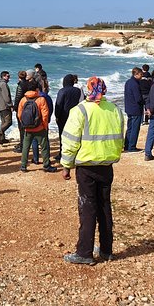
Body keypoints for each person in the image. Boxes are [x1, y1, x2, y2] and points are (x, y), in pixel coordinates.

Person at [60, 76, 123, 265]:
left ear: (87, 90)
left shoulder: (80, 111)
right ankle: (106, 250)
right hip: (106, 165)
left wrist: (66, 165)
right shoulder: (115, 110)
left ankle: (84, 252)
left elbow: (70, 140)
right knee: (104, 207)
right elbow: (120, 137)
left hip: (86, 166)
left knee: (87, 207)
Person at [17, 80, 57, 173]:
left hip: (27, 128)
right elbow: (45, 115)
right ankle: (46, 165)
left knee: (26, 147)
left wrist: (24, 124)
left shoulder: (23, 99)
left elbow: (20, 114)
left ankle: (23, 165)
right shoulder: (41, 99)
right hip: (40, 128)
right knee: (44, 147)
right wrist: (44, 125)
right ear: (36, 89)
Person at [55, 74, 83, 160]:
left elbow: (58, 104)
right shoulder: (77, 91)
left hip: (63, 116)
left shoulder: (62, 91)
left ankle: (62, 154)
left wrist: (57, 116)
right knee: (74, 136)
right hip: (74, 115)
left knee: (62, 136)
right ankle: (74, 153)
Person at [123, 67, 144, 152]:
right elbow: (138, 98)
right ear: (136, 74)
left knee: (130, 128)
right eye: (141, 74)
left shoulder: (128, 82)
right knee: (135, 128)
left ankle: (127, 145)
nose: (142, 76)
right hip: (135, 109)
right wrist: (144, 102)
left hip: (129, 108)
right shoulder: (135, 84)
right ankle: (132, 147)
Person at [0, 71, 13, 144]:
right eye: (7, 76)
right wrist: (11, 105)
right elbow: (6, 97)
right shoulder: (4, 84)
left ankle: (1, 138)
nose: (9, 78)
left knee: (3, 122)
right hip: (5, 106)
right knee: (8, 122)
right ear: (3, 76)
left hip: (1, 106)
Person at [12, 70, 28, 154]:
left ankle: (22, 146)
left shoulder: (20, 85)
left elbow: (18, 97)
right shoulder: (28, 84)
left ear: (19, 77)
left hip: (21, 108)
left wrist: (15, 107)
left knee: (21, 127)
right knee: (24, 128)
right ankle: (23, 144)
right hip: (27, 107)